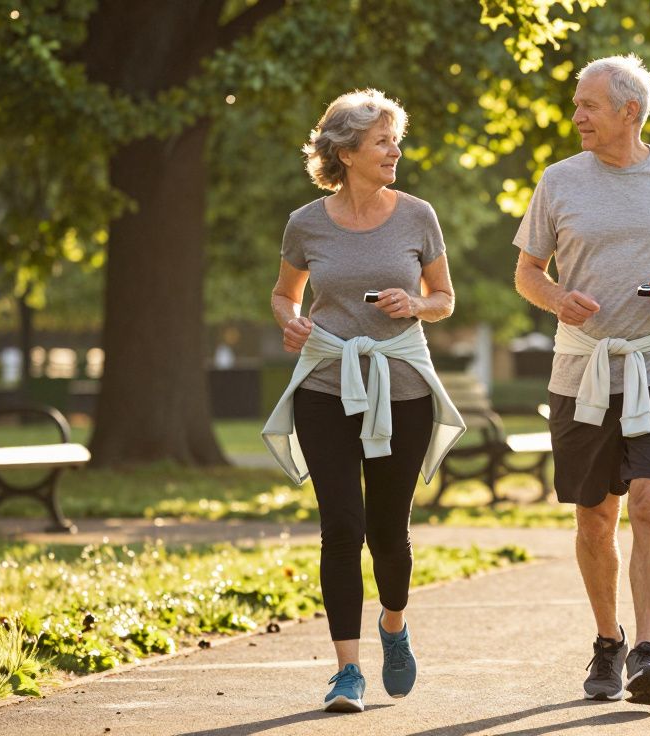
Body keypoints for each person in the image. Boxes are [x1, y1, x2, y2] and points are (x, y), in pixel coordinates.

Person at [513, 54, 650, 706]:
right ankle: (607, 642)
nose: (576, 115)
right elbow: (528, 272)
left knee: (648, 500)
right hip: (582, 368)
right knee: (593, 518)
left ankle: (646, 648)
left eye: (588, 105)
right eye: (578, 105)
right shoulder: (558, 182)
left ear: (628, 112)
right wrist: (559, 300)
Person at [262, 89, 465, 714]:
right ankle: (346, 670)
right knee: (341, 526)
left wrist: (416, 305)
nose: (395, 152)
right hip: (326, 387)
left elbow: (445, 298)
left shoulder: (417, 216)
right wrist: (290, 322)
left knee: (387, 530)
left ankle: (394, 627)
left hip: (401, 388)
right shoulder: (307, 222)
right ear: (346, 152)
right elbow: (283, 294)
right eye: (382, 142)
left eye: (394, 141)